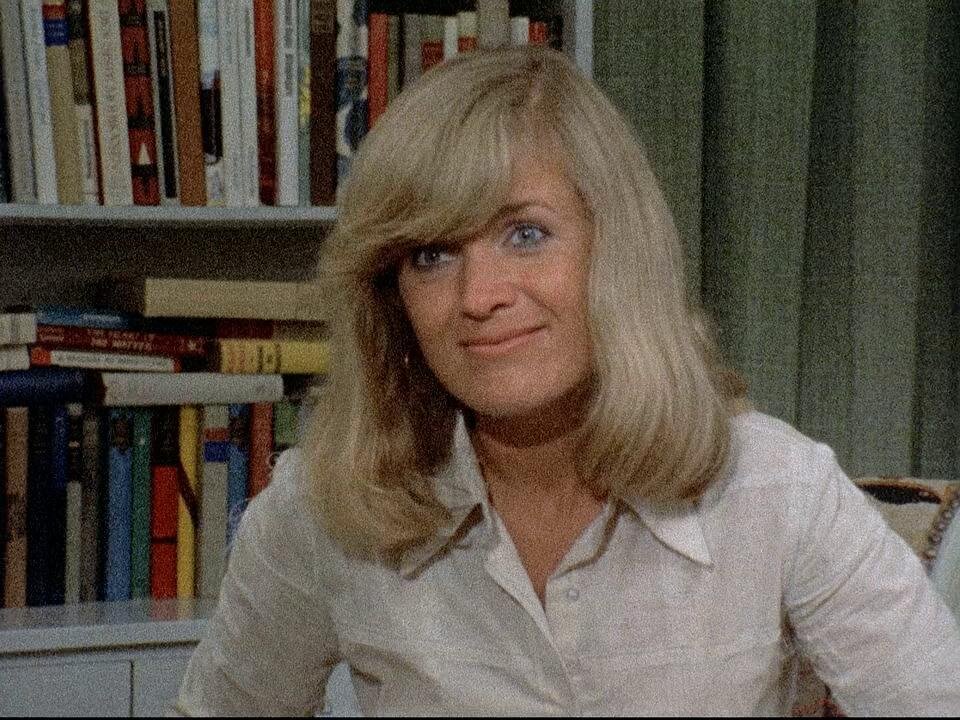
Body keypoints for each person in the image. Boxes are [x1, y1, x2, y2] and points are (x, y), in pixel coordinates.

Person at [174, 46, 960, 715]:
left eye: (525, 233)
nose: (479, 296)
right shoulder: (324, 505)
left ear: (613, 249)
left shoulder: (777, 489)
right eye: (431, 255)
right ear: (391, 296)